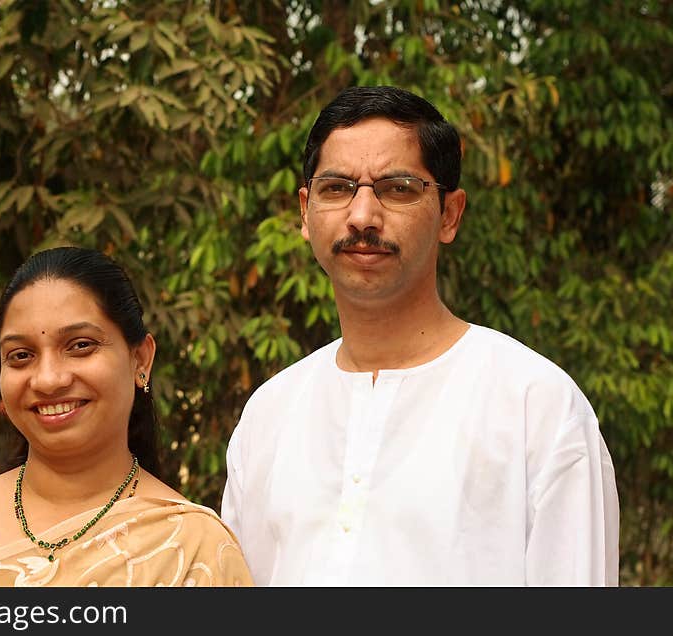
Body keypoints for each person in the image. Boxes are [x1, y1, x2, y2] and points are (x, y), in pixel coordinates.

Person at [221, 86, 619, 586]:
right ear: (306, 212)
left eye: (398, 188)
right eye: (337, 188)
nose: (362, 217)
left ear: (449, 214)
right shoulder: (269, 415)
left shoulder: (535, 405)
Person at [0, 246, 253, 587]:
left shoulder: (196, 548)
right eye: (20, 355)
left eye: (80, 346)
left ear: (140, 359)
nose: (48, 379)